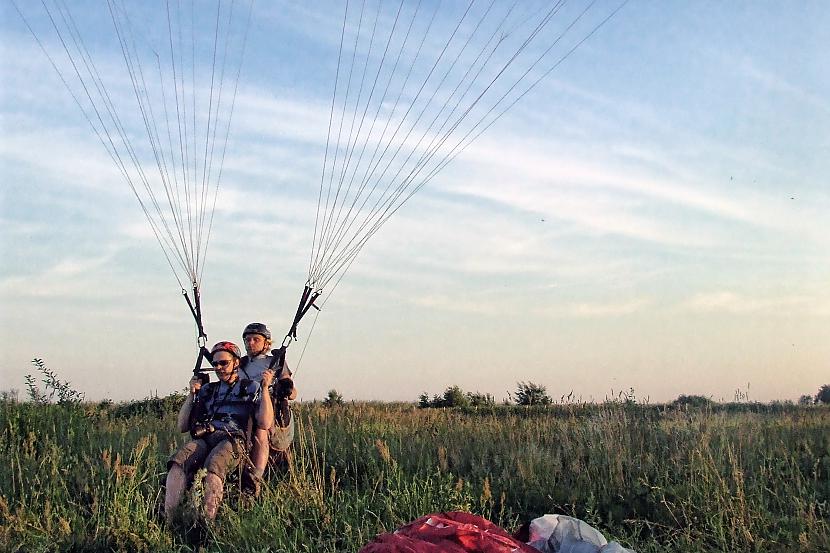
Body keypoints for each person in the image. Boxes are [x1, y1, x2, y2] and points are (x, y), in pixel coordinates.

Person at [164, 341, 275, 522]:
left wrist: (264, 389)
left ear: (236, 363)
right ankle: (170, 521)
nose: (219, 368)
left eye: (224, 363)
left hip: (233, 439)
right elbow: (183, 426)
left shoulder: (251, 387)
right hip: (206, 437)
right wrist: (192, 394)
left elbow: (264, 422)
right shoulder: (209, 390)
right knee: (178, 462)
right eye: (215, 364)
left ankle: (206, 524)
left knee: (213, 467)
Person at [238, 322, 297, 484]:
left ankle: (255, 478)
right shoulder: (240, 364)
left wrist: (285, 387)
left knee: (261, 431)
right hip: (243, 407)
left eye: (255, 339)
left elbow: (293, 393)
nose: (250, 343)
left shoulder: (275, 362)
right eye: (247, 340)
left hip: (268, 407)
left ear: (266, 343)